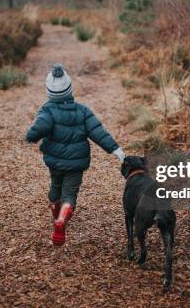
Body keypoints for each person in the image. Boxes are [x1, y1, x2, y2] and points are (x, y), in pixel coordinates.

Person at [26, 63, 125, 246]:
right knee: (70, 193)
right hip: (76, 164)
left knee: (55, 187)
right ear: (70, 90)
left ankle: (56, 216)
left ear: (50, 93)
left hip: (54, 162)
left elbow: (35, 132)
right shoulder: (83, 111)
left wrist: (30, 137)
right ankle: (62, 220)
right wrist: (115, 149)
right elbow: (98, 132)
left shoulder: (47, 111)